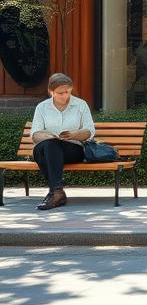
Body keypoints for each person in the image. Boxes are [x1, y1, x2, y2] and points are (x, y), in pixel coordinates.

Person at [30, 72, 96, 211]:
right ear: (51, 92)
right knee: (47, 146)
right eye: (60, 93)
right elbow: (35, 134)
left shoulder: (80, 105)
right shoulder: (42, 107)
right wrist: (49, 137)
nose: (65, 96)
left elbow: (90, 131)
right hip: (49, 148)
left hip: (74, 149)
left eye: (67, 92)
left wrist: (75, 134)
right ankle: (57, 191)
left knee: (48, 149)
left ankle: (55, 192)